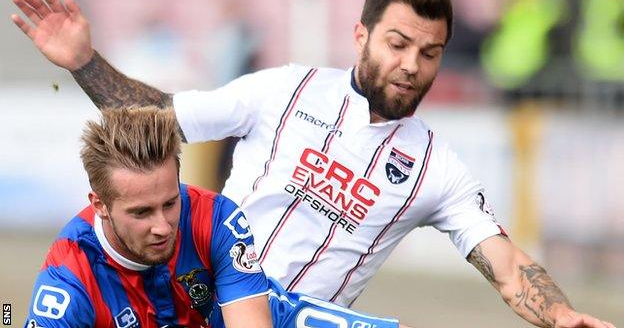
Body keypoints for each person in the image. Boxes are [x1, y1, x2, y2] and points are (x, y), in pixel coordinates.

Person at [11, 0, 615, 327]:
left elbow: (506, 265)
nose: (410, 65)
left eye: (429, 53)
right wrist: (85, 62)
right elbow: (160, 119)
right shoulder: (284, 89)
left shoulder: (439, 166)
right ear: (362, 35)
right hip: (199, 307)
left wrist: (560, 314)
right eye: (398, 43)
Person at [23, 106, 406, 328]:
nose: (162, 226)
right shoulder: (68, 281)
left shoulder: (214, 218)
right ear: (100, 204)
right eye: (141, 212)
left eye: (170, 203)